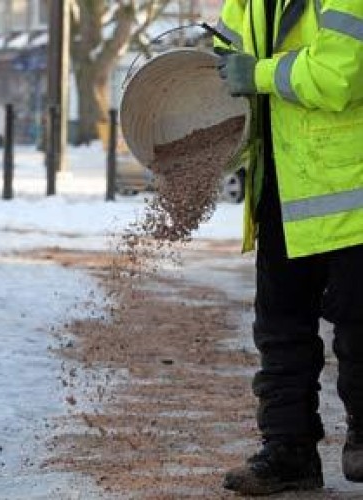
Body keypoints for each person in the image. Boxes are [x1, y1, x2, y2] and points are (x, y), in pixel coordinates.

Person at [214, 0, 363, 495]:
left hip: (352, 190)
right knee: (280, 331)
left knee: (360, 326)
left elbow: (339, 76)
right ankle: (288, 452)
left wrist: (254, 73)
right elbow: (221, 61)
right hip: (283, 186)